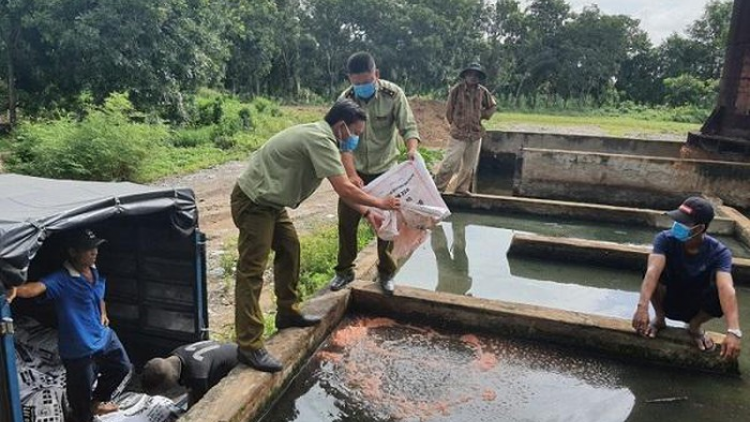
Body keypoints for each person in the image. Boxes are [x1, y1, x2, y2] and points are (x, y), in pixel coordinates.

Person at [231, 98, 400, 373]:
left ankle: (287, 313)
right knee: (252, 270)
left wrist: (368, 214)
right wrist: (380, 204)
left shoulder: (323, 137)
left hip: (270, 204)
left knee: (290, 248)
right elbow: (345, 189)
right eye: (355, 134)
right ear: (342, 126)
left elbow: (343, 191)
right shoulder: (320, 140)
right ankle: (249, 345)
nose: (355, 140)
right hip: (254, 203)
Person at [7, 229, 132, 422]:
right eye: (88, 249)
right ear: (73, 252)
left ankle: (98, 401)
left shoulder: (95, 270)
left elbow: (99, 293)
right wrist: (15, 289)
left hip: (103, 336)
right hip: (78, 347)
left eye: (96, 248)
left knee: (122, 366)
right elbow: (36, 288)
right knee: (79, 398)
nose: (94, 252)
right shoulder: (61, 279)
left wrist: (103, 312)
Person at [330, 51, 421, 295]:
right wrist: (350, 174)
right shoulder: (346, 100)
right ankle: (344, 271)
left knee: (387, 225)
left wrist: (411, 151)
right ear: (349, 79)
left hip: (385, 172)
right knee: (347, 222)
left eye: (365, 81)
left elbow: (408, 126)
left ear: (376, 75)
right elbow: (341, 141)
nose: (361, 87)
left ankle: (386, 273)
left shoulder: (393, 95)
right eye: (356, 83)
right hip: (355, 171)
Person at [631, 197, 741, 360]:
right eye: (677, 221)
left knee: (721, 292)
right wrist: (642, 306)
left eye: (684, 223)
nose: (677, 226)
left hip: (696, 305)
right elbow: (653, 271)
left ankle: (695, 327)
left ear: (700, 228)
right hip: (668, 298)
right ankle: (659, 318)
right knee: (650, 269)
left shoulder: (719, 252)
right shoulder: (665, 239)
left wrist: (734, 330)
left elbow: (726, 288)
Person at [435, 63, 497, 195]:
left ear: (479, 77)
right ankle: (438, 189)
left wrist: (483, 115)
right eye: (470, 74)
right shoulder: (456, 90)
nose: (473, 77)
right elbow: (449, 111)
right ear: (465, 76)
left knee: (469, 166)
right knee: (450, 163)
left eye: (476, 75)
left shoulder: (482, 92)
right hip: (458, 134)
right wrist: (456, 125)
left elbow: (492, 106)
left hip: (475, 133)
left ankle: (461, 190)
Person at [141, 340, 238, 406]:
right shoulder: (177, 353)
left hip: (239, 369)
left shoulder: (197, 377)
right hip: (231, 349)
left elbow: (201, 407)